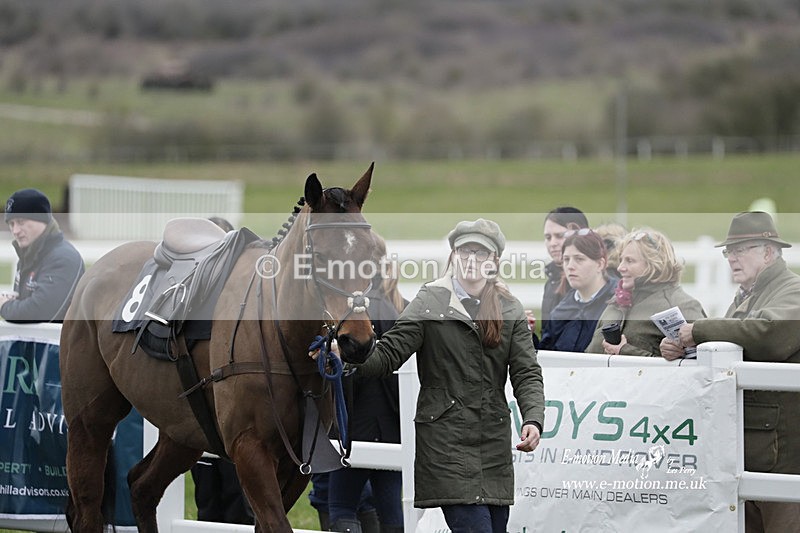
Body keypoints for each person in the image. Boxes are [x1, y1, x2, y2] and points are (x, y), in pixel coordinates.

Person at [329, 219, 544, 533]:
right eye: (465, 251)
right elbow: (387, 356)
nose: (472, 259)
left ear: (494, 262)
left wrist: (533, 418)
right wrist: (346, 353)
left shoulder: (509, 308)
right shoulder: (429, 301)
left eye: (481, 253)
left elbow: (526, 372)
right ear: (453, 256)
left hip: (493, 448)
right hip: (445, 445)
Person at [660, 211, 800, 533]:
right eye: (728, 252)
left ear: (767, 252)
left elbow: (769, 335)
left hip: (783, 453)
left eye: (740, 250)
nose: (731, 258)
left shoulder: (791, 289)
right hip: (754, 448)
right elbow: (732, 345)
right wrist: (684, 349)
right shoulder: (748, 295)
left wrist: (699, 332)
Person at [327, 235, 405, 533]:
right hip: (391, 426)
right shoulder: (395, 308)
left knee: (341, 507)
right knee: (390, 509)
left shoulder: (354, 310)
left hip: (355, 422)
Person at [190, 215, 254, 525]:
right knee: (206, 502)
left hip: (234, 420)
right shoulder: (191, 297)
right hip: (203, 417)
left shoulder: (244, 298)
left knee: (236, 502)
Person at [585, 228, 705, 357]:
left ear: (654, 264)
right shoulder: (616, 301)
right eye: (621, 260)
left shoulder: (681, 304)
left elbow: (702, 364)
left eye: (630, 261)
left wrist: (625, 351)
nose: (620, 268)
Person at [0, 188, 84, 323]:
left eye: (21, 222)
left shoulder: (64, 258)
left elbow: (39, 312)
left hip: (56, 343)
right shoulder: (27, 256)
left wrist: (5, 306)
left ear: (42, 220)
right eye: (11, 224)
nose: (15, 230)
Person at [539, 228, 617, 352]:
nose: (570, 266)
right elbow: (546, 357)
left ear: (600, 264)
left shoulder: (619, 303)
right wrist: (528, 333)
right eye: (566, 259)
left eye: (579, 259)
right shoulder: (560, 311)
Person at [529, 207, 590, 347]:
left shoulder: (591, 282)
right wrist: (529, 333)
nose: (552, 243)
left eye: (560, 236)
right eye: (548, 237)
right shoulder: (551, 282)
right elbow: (549, 342)